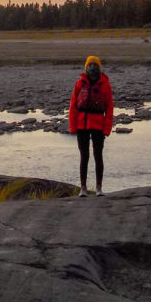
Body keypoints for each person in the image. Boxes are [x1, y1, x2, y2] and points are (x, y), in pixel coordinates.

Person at [68, 55, 113, 196]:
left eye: (95, 65)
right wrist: (72, 126)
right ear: (86, 67)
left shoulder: (105, 85)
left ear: (99, 68)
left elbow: (110, 108)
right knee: (84, 156)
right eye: (90, 65)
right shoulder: (79, 84)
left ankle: (99, 188)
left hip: (99, 125)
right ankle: (83, 188)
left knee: (98, 156)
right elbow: (73, 106)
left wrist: (107, 128)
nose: (93, 67)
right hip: (82, 125)